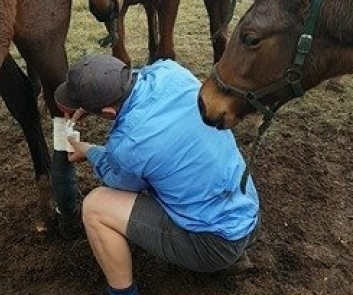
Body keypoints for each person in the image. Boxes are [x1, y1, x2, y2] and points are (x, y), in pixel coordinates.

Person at [54, 54, 260, 295]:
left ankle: (122, 292)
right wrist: (97, 98)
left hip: (212, 244)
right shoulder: (171, 71)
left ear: (108, 111)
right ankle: (233, 257)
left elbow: (119, 180)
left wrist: (88, 151)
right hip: (249, 214)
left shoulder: (129, 145)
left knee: (96, 207)